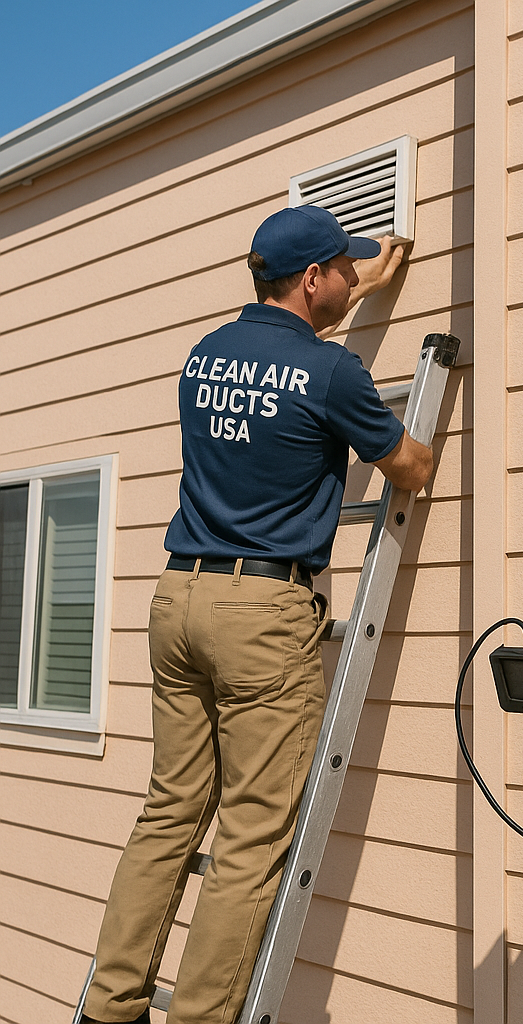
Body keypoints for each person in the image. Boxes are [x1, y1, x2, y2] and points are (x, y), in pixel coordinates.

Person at [83, 205, 433, 1024]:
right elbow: (409, 469)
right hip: (262, 612)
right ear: (312, 279)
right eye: (342, 270)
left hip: (178, 598)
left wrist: (366, 278)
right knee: (248, 835)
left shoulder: (204, 354)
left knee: (170, 812)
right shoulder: (332, 372)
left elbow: (291, 339)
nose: (352, 278)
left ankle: (110, 1003)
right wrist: (413, 443)